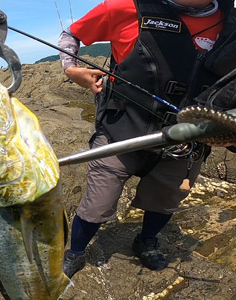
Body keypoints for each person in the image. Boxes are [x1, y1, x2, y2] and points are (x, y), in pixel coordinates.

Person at [57, 0, 236, 278]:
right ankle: (76, 251)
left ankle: (147, 240)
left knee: (165, 201)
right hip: (122, 131)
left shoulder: (231, 18)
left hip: (187, 144)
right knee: (96, 205)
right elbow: (71, 34)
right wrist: (71, 69)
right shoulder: (124, 7)